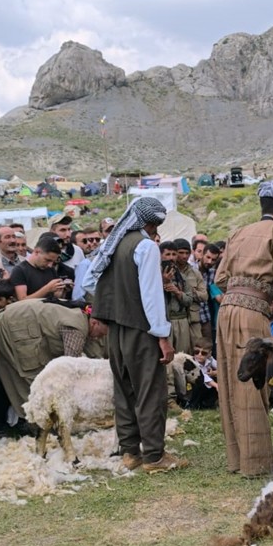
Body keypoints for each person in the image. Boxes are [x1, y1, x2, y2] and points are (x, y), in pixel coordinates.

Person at [84, 197, 187, 473]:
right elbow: (152, 297)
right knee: (150, 391)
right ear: (151, 222)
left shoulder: (114, 244)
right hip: (141, 330)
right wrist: (162, 336)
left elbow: (89, 281)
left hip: (115, 329)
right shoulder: (145, 247)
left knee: (124, 391)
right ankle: (154, 456)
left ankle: (130, 452)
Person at [214, 180, 273, 477]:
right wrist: (269, 292)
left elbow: (221, 278)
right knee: (253, 383)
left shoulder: (238, 232)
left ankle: (237, 459)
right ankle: (257, 462)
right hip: (252, 311)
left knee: (230, 380)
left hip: (226, 311)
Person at [10, 233, 76, 303]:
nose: (50, 265)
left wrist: (63, 290)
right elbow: (22, 301)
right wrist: (47, 289)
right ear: (36, 252)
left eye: (53, 262)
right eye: (47, 260)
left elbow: (55, 297)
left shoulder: (50, 269)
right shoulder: (20, 270)